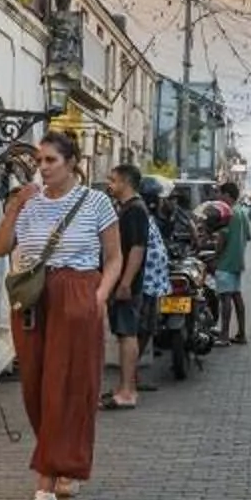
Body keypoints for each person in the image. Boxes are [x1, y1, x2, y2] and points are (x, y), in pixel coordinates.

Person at [0, 129, 120, 500]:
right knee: (34, 388)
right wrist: (15, 207)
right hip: (32, 297)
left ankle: (44, 489)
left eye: (50, 160)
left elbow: (113, 257)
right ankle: (60, 461)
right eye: (39, 161)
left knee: (64, 389)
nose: (42, 168)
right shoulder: (27, 202)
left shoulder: (96, 202)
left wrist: (97, 298)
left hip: (76, 291)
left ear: (71, 163)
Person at [104, 164, 154, 409]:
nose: (109, 185)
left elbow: (137, 248)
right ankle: (124, 386)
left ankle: (127, 390)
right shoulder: (128, 208)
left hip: (126, 283)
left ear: (125, 182)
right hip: (121, 281)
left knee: (127, 334)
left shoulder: (135, 210)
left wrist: (125, 282)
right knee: (124, 333)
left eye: (113, 180)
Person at [209, 184, 251, 346]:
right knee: (236, 296)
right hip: (238, 260)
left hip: (226, 262)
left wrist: (215, 256)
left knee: (225, 297)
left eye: (220, 194)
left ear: (227, 195)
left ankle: (224, 335)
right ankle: (241, 333)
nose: (218, 198)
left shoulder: (227, 213)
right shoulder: (242, 212)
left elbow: (222, 239)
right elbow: (247, 236)